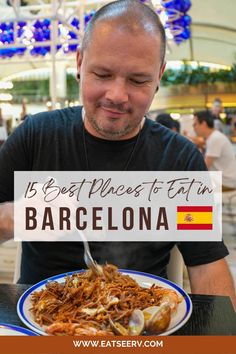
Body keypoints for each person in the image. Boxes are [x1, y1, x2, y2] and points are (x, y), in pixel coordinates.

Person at [0, 0, 235, 307]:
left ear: (159, 75)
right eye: (102, 74)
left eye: (138, 80)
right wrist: (13, 217)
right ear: (80, 62)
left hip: (140, 324)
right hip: (38, 319)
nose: (117, 95)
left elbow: (206, 264)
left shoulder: (180, 161)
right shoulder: (36, 136)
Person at [193, 110, 236, 191]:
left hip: (226, 182)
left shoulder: (215, 138)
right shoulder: (213, 137)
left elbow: (204, 167)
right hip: (224, 180)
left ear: (203, 124)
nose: (194, 128)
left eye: (195, 124)